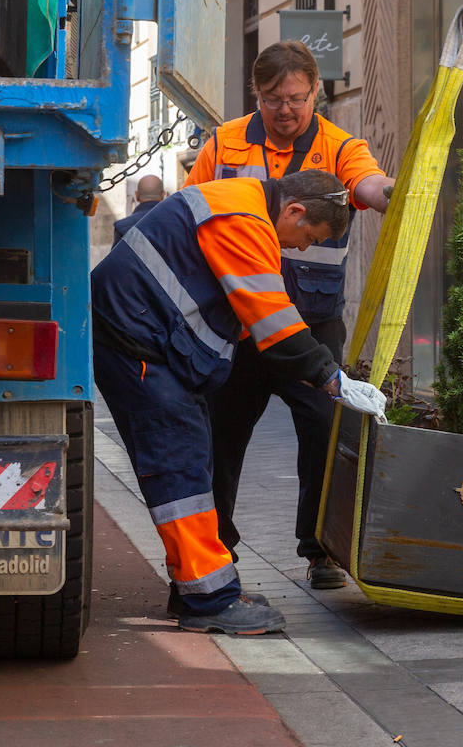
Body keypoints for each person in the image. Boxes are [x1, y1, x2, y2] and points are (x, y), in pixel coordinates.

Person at [90, 170, 387, 635]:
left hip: (142, 341)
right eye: (310, 236)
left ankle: (198, 588)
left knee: (190, 465)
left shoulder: (238, 202)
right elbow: (274, 323)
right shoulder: (244, 216)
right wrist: (333, 379)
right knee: (180, 470)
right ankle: (208, 601)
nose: (304, 249)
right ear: (294, 211)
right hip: (139, 346)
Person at [183, 40, 396, 591]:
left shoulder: (340, 147)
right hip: (238, 324)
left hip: (312, 323)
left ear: (316, 92)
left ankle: (320, 548)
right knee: (220, 438)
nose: (286, 111)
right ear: (257, 94)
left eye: (297, 98)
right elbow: (189, 211)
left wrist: (393, 193)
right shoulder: (224, 143)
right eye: (274, 99)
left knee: (326, 430)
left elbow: (367, 183)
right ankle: (216, 550)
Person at [113, 174, 165, 243]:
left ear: (136, 195)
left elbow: (117, 253)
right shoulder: (178, 224)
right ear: (163, 195)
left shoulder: (122, 227)